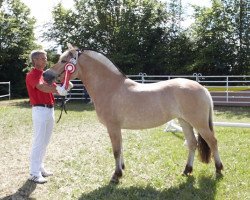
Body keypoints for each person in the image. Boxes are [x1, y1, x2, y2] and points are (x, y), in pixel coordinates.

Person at [26, 50, 68, 184]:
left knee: (45, 141)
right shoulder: (32, 75)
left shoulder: (46, 75)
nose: (45, 60)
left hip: (49, 110)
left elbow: (56, 87)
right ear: (35, 60)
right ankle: (33, 173)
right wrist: (58, 90)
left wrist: (65, 85)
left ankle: (40, 167)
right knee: (39, 142)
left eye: (45, 58)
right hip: (39, 110)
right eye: (42, 58)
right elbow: (42, 88)